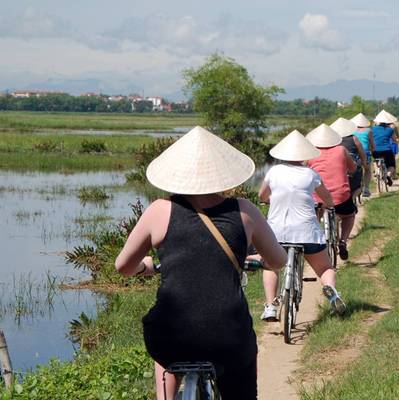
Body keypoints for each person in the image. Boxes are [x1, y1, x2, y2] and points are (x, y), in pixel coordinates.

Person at [115, 126, 287, 400]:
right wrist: (252, 257)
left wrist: (143, 266)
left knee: (163, 346)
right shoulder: (244, 211)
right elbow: (278, 261)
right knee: (242, 373)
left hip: (172, 338)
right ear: (224, 175)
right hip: (230, 339)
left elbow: (123, 266)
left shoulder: (159, 210)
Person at [258, 130, 346, 322]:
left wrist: (270, 200)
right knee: (324, 268)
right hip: (307, 232)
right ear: (304, 155)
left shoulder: (273, 172)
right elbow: (328, 199)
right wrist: (326, 205)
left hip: (276, 233)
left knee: (271, 266)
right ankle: (333, 293)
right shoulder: (310, 174)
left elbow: (262, 196)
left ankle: (271, 306)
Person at [306, 124, 357, 260]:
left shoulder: (310, 153)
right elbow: (352, 169)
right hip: (341, 195)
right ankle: (343, 241)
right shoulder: (341, 150)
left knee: (314, 217)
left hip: (317, 196)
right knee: (349, 216)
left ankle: (316, 242)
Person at [331, 117, 367, 201]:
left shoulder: (333, 140)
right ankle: (353, 199)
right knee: (358, 187)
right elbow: (362, 152)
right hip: (352, 164)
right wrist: (364, 162)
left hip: (338, 166)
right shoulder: (354, 138)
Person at [371, 110, 399, 186]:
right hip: (387, 150)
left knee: (375, 159)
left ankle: (377, 171)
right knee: (391, 165)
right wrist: (397, 141)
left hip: (375, 150)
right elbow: (394, 140)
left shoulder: (372, 129)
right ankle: (388, 174)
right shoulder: (390, 129)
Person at [351, 113, 374, 197]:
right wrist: (373, 149)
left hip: (355, 153)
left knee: (355, 169)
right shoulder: (369, 130)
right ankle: (366, 189)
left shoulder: (352, 131)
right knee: (367, 169)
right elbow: (372, 143)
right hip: (365, 152)